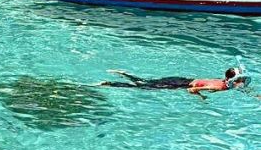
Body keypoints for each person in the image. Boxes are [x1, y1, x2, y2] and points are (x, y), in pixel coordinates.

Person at [98, 67, 249, 97]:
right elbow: (192, 90)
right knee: (143, 88)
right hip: (182, 85)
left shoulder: (223, 81)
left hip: (183, 79)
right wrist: (201, 96)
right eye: (240, 80)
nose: (242, 83)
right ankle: (109, 84)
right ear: (233, 80)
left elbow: (242, 89)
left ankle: (124, 74)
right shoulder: (221, 87)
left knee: (146, 82)